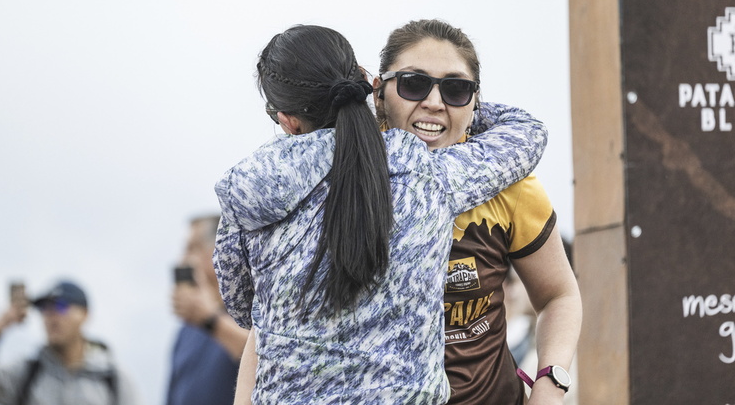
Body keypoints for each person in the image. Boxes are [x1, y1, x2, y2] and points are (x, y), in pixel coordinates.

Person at [213, 24, 548, 404]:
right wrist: (458, 101)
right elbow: (526, 133)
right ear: (368, 85)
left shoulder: (245, 191)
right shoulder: (419, 171)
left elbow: (243, 308)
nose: (432, 101)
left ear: (287, 119)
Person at [373, 19, 582, 405]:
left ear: (475, 101)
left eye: (456, 89)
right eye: (413, 84)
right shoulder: (338, 184)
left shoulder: (512, 187)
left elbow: (558, 295)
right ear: (379, 93)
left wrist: (549, 386)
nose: (434, 102)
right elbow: (277, 319)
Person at [0, 279, 140, 405]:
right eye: (44, 309)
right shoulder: (27, 373)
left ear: (85, 314)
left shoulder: (113, 380)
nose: (51, 316)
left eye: (61, 306)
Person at [167, 215, 248, 405]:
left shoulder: (250, 313)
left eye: (193, 248)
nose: (184, 259)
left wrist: (211, 319)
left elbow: (268, 358)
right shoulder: (187, 330)